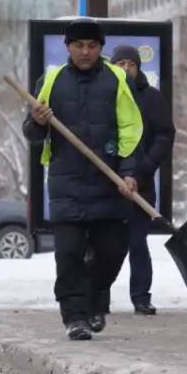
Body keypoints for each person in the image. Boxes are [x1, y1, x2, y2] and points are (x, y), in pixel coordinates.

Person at [23, 20, 143, 341]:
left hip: (109, 183)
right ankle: (74, 316)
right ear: (68, 47)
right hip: (67, 184)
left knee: (113, 251)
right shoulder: (51, 81)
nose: (85, 52)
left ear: (101, 48)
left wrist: (129, 173)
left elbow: (131, 130)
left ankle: (93, 301)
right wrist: (37, 121)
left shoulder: (118, 80)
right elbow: (32, 134)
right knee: (69, 255)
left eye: (92, 46)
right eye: (79, 45)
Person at [99, 44, 176, 317]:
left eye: (131, 64)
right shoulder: (102, 94)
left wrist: (142, 170)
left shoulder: (151, 98)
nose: (126, 68)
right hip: (105, 184)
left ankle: (141, 297)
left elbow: (164, 136)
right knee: (103, 246)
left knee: (137, 243)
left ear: (138, 68)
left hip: (140, 184)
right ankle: (99, 297)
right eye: (120, 64)